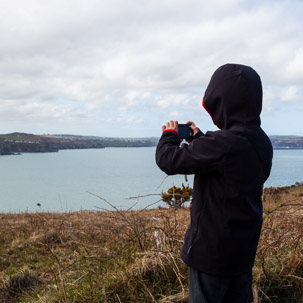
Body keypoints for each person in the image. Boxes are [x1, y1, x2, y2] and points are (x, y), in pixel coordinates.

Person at [156, 63, 273, 303]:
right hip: (242, 252)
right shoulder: (261, 142)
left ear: (222, 103)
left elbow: (169, 161)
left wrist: (169, 135)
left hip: (210, 253)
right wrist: (200, 138)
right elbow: (228, 165)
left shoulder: (222, 145)